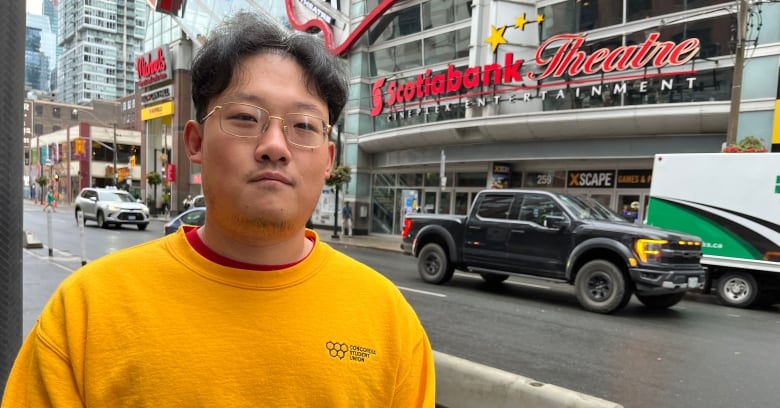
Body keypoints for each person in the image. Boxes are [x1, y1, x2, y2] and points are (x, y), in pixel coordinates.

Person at [2, 11, 435, 407]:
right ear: (195, 143)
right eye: (246, 117)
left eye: (304, 125)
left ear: (328, 159)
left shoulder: (390, 324)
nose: (274, 147)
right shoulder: (87, 311)